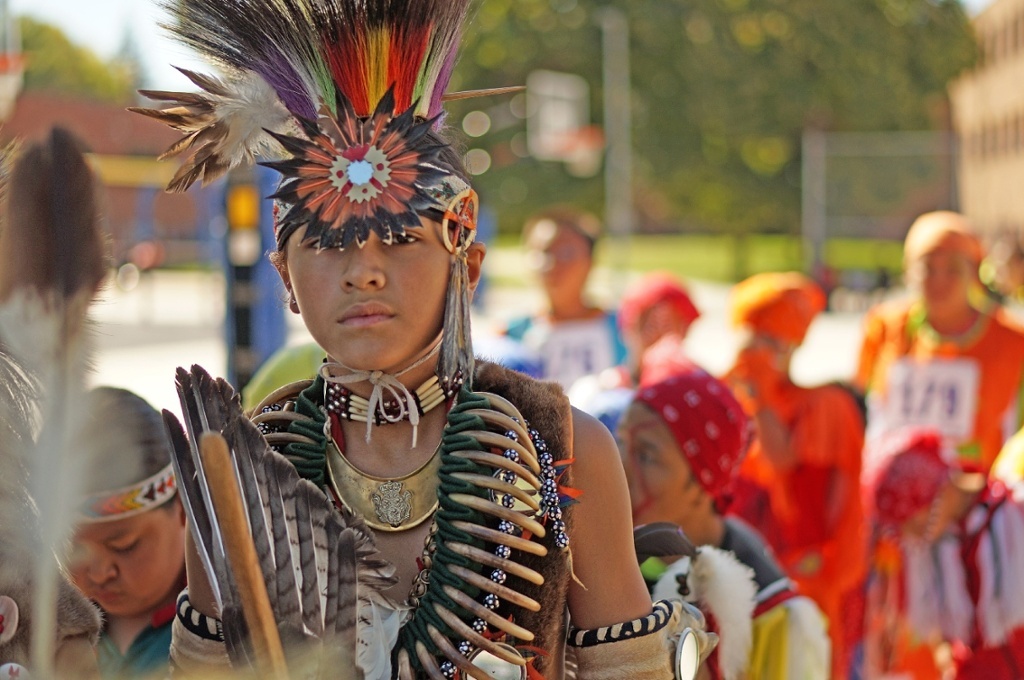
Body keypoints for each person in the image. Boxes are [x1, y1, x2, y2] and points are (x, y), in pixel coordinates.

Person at [136, 0, 710, 677]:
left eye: (403, 239)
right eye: (324, 243)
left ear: (465, 262)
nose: (365, 272)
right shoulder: (238, 467)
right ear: (285, 276)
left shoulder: (565, 447)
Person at [620, 370, 830, 680]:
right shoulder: (603, 559)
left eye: (647, 456)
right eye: (619, 443)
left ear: (703, 483)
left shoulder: (774, 616)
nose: (620, 467)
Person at [724, 272, 865, 680]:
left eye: (772, 344)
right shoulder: (730, 396)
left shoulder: (824, 407)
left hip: (806, 575)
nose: (761, 354)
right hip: (742, 571)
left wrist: (761, 396)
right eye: (753, 341)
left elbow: (784, 467)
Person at [856, 210, 1024, 474]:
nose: (939, 281)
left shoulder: (1013, 340)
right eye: (928, 268)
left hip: (981, 503)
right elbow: (859, 402)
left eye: (953, 269)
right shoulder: (886, 327)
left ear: (974, 272)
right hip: (892, 497)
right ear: (909, 270)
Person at [864, 429, 1024, 679]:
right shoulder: (937, 546)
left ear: (936, 493)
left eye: (913, 521)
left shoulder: (1014, 518)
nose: (909, 536)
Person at [67, 387, 186, 680]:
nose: (98, 572)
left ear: (184, 509)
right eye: (72, 548)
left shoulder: (229, 619)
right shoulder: (37, 623)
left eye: (123, 545)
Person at [505, 208, 627, 390]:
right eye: (544, 252)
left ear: (591, 262)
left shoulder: (624, 329)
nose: (553, 263)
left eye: (566, 252)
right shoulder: (512, 335)